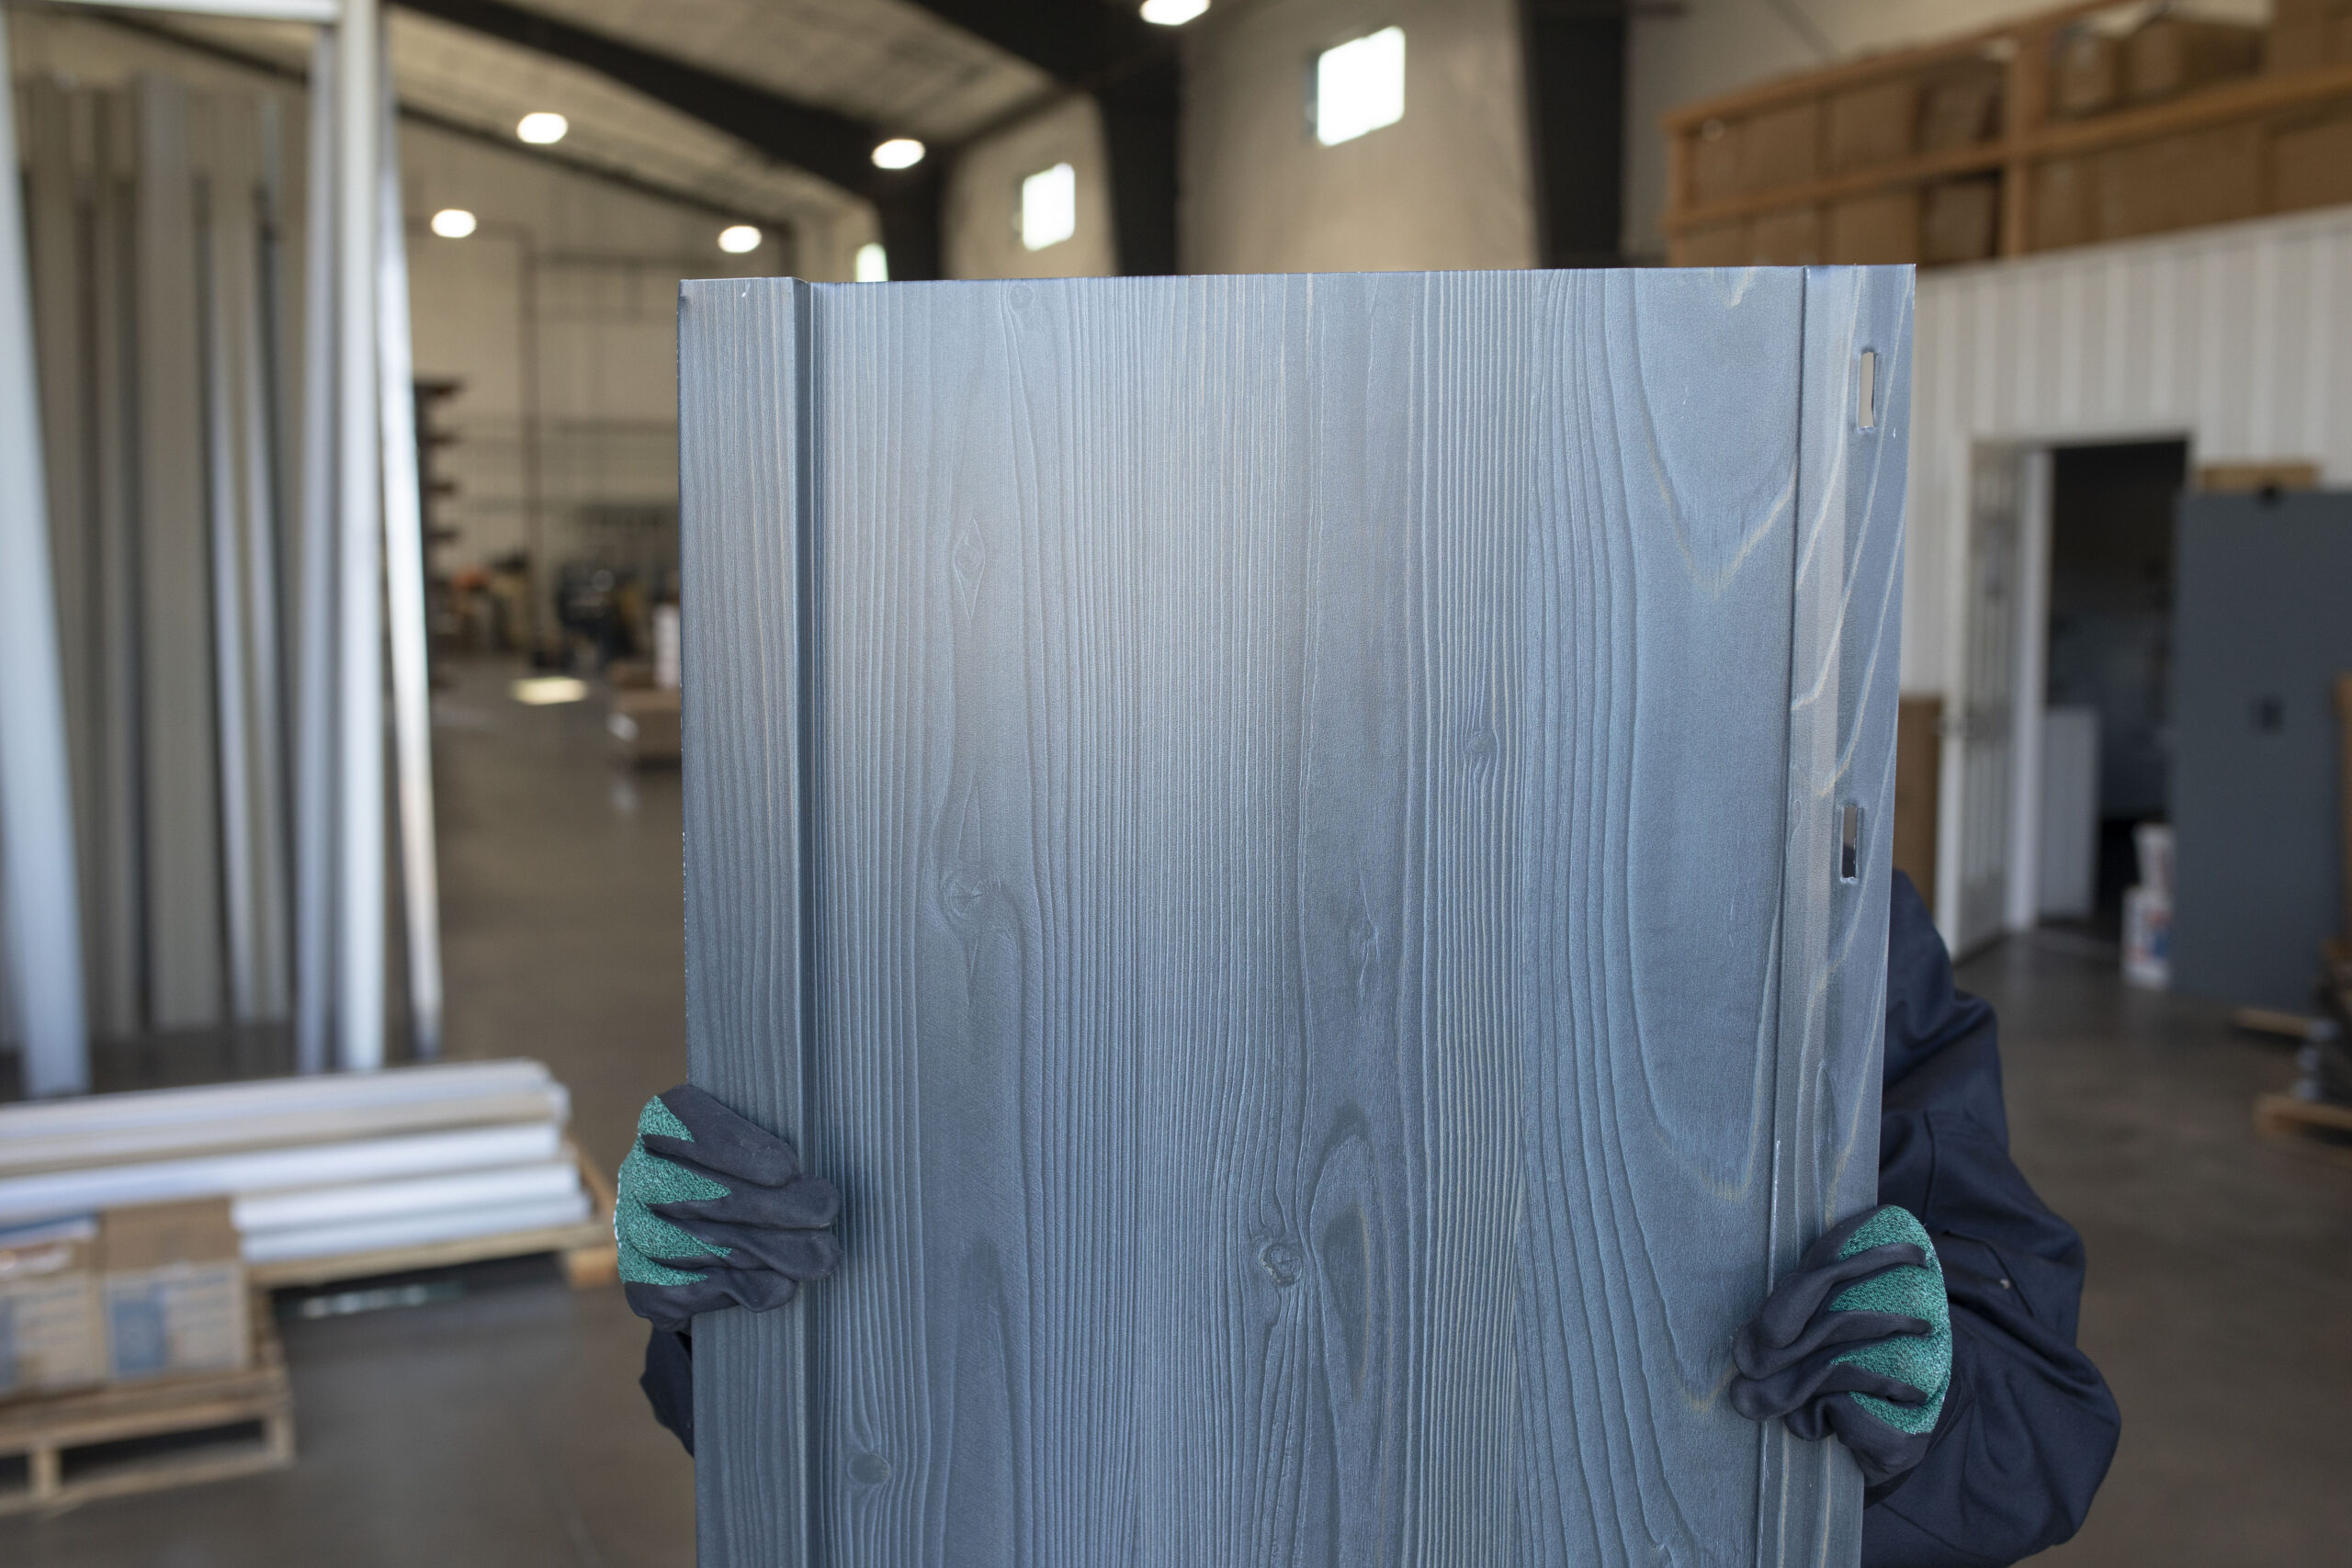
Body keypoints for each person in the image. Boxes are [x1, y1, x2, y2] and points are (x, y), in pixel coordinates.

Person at [618, 872, 2117, 1562]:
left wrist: (1932, 1407)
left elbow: (2041, 1429)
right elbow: (880, 1426)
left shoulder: (1795, 895)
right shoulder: (994, 869)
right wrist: (721, 1311)